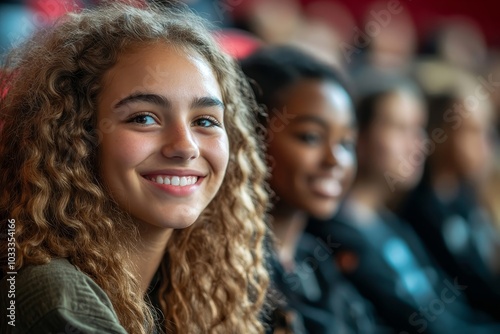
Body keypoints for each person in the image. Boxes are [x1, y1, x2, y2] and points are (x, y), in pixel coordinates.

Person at [0, 3, 269, 333]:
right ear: (74, 135)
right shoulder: (54, 297)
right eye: (144, 118)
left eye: (204, 120)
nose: (185, 147)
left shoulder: (184, 290)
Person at [307, 71, 500, 333]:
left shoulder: (392, 223)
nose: (418, 144)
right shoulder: (334, 232)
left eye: (418, 129)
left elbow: (455, 313)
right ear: (359, 138)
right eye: (400, 128)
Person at [241, 46, 390, 334]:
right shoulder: (223, 268)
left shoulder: (315, 258)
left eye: (346, 142)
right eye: (311, 137)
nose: (335, 160)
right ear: (248, 136)